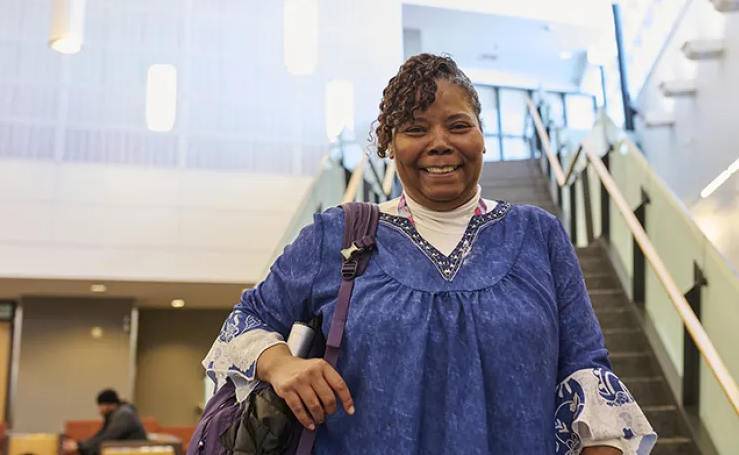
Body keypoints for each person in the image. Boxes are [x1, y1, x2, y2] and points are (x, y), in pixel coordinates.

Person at [203, 53, 656, 454]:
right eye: (415, 129)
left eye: (458, 125)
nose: (439, 143)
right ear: (389, 145)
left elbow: (586, 367)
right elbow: (247, 320)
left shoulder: (539, 235)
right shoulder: (337, 234)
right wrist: (281, 364)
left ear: (482, 136)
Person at [62, 389, 148, 455]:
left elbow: (108, 437)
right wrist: (80, 445)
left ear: (106, 405)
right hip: (124, 449)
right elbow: (101, 434)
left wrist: (79, 447)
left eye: (100, 406)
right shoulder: (116, 414)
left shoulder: (124, 414)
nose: (99, 410)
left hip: (132, 451)